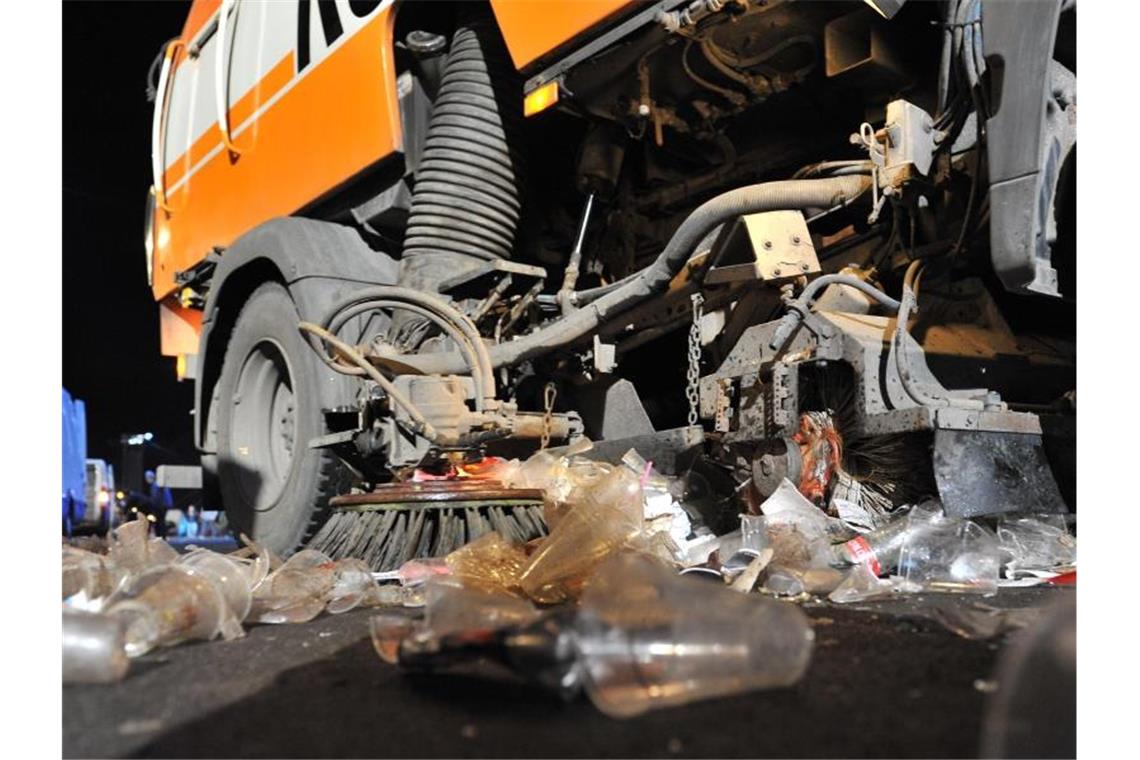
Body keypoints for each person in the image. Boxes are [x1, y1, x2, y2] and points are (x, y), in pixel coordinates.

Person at [144, 470, 174, 538]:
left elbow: (155, 498)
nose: (146, 480)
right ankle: (161, 536)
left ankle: (161, 536)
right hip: (164, 505)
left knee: (159, 521)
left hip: (162, 505)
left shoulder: (155, 485)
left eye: (147, 478)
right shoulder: (158, 483)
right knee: (160, 521)